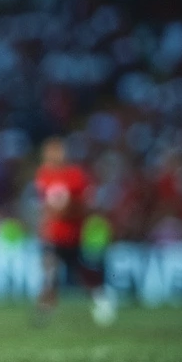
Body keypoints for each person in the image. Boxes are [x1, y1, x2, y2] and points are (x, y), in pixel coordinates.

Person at [33, 137, 115, 325]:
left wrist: (67, 212)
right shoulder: (43, 175)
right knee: (49, 267)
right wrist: (45, 223)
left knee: (80, 271)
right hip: (53, 233)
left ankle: (101, 296)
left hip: (71, 232)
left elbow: (86, 204)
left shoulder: (75, 175)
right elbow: (43, 205)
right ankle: (46, 307)